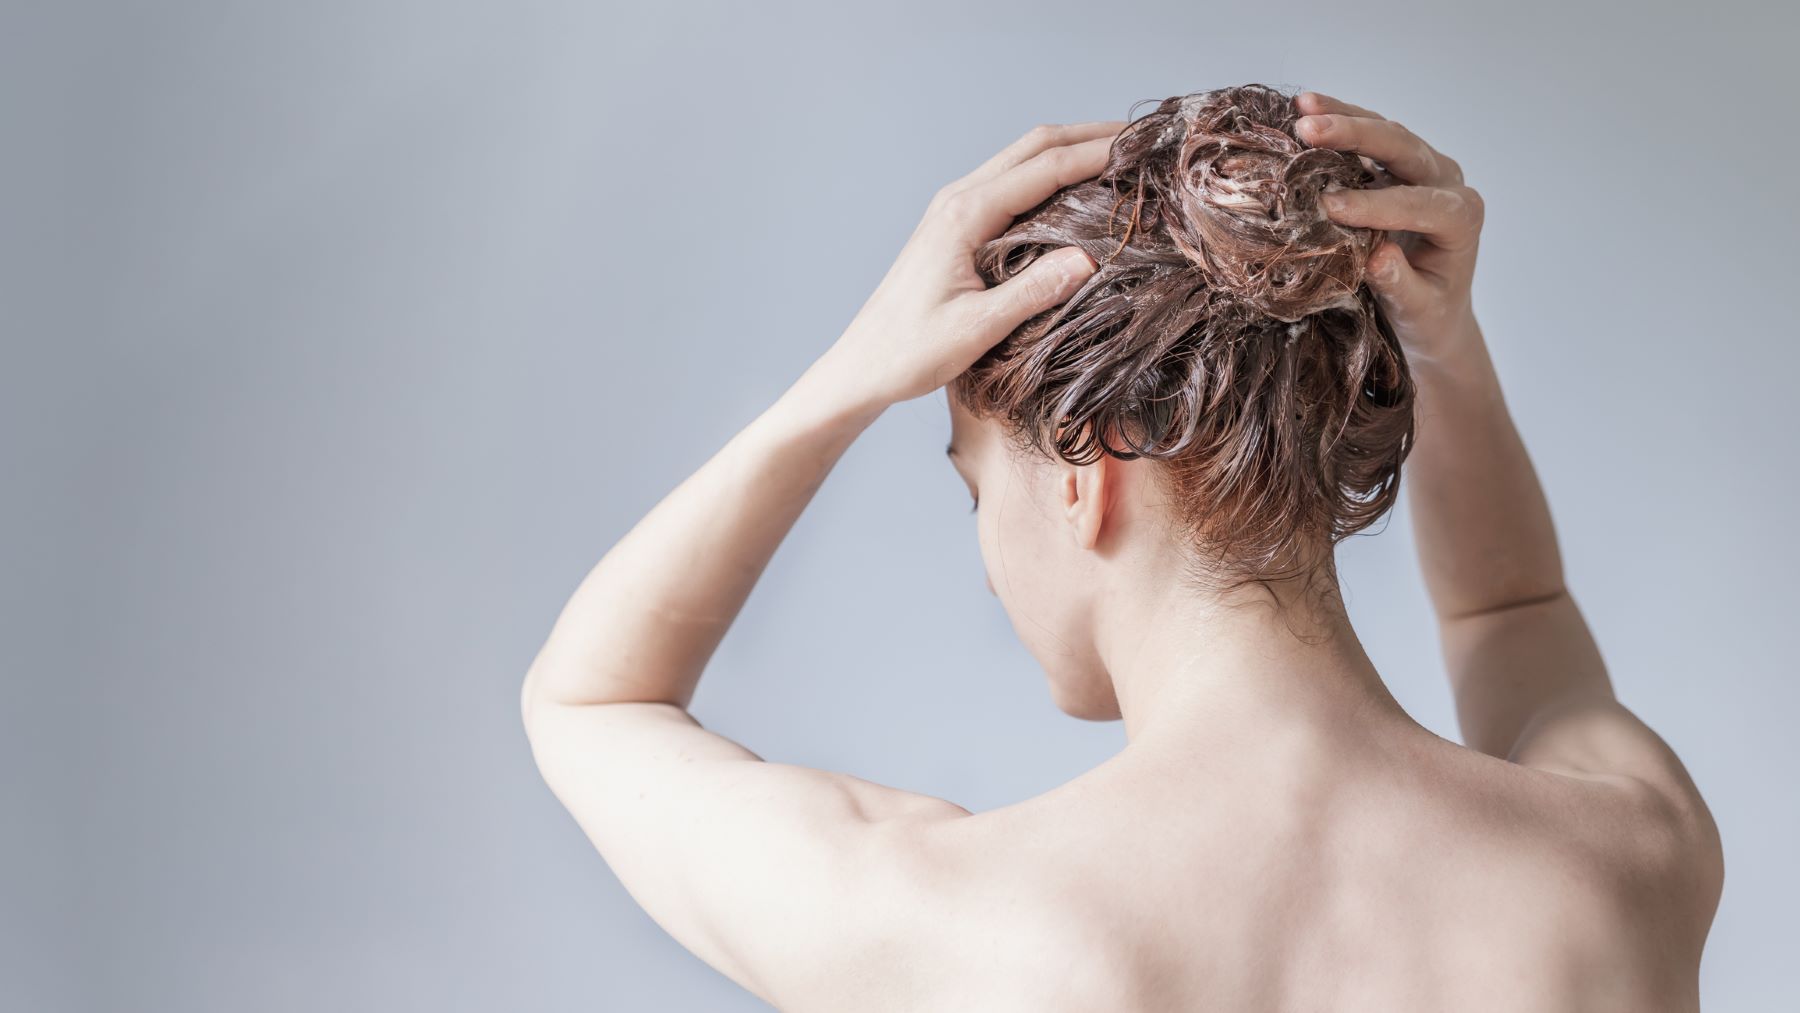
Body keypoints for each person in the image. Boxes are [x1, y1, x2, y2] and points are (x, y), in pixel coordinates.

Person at [519, 85, 1723, 1011]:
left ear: (1087, 475)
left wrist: (846, 379)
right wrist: (1446, 347)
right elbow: (1513, 608)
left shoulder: (959, 921)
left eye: (974, 489)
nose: (984, 552)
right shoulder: (1622, 858)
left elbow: (593, 701)